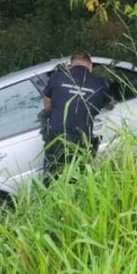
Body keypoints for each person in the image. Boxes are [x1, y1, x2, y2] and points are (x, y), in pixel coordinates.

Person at [41, 51, 109, 183]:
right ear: (90, 66)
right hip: (81, 141)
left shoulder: (57, 77)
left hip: (57, 138)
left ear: (70, 65)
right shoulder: (99, 84)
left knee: (51, 179)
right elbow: (109, 104)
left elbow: (47, 103)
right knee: (79, 180)